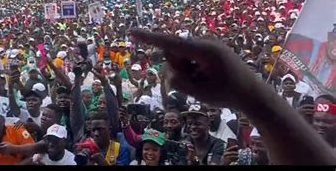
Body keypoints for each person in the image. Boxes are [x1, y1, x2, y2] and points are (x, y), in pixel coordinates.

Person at [130, 29, 336, 164]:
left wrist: (252, 98)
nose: (192, 126)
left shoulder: (223, 139)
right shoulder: (183, 146)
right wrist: (251, 98)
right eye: (188, 122)